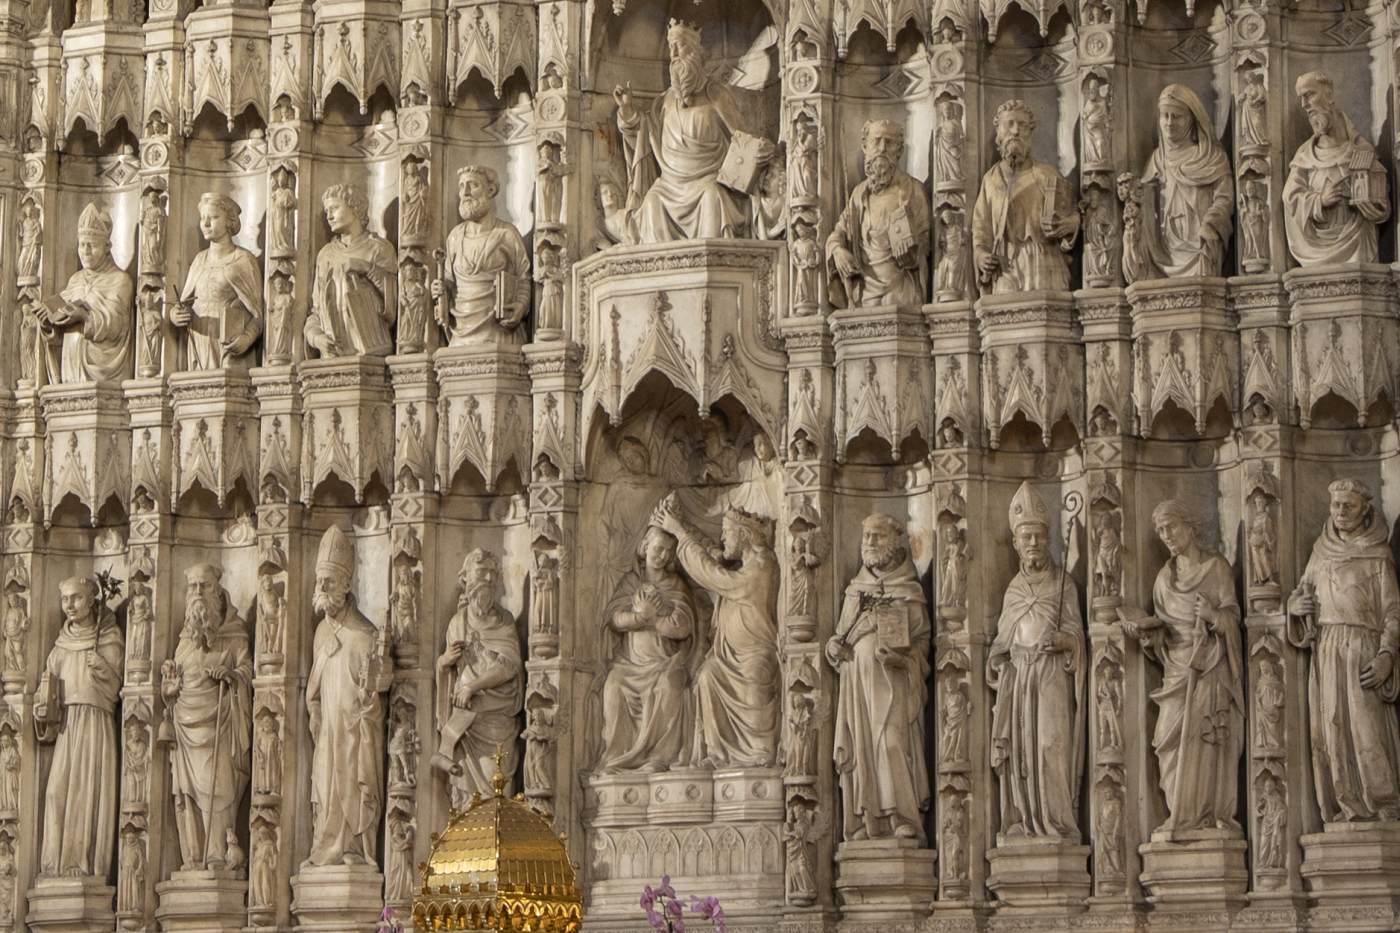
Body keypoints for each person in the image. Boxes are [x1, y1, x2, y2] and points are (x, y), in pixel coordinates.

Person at [1121, 501, 1242, 836]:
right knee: (1166, 743)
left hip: (1209, 668)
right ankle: (1180, 814)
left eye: (1171, 527)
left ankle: (1204, 818)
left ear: (1190, 526)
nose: (1166, 536)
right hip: (1176, 671)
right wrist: (1149, 636)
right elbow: (1165, 639)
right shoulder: (1163, 580)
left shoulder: (1216, 568)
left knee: (1207, 741)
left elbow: (1233, 618)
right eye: (1160, 530)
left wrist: (1215, 617)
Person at [1288, 479, 1400, 822]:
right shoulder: (1320, 551)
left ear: (1365, 509)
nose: (1339, 513)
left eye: (1347, 506)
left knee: (1368, 729)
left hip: (1363, 649)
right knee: (1332, 730)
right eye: (1335, 506)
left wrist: (1386, 656)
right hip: (1327, 648)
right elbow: (1301, 594)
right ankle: (1344, 805)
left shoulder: (1378, 554)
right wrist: (1295, 607)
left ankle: (1384, 805)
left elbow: (1393, 611)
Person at [612, 19, 775, 242]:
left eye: (679, 45)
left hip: (708, 179)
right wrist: (627, 111)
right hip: (669, 185)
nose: (673, 53)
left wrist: (760, 149)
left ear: (695, 52)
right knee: (651, 203)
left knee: (712, 198)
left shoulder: (716, 94)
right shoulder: (665, 101)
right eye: (670, 47)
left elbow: (742, 137)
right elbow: (646, 134)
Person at [652, 496, 779, 767]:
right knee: (708, 675)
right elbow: (711, 560)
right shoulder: (745, 565)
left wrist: (679, 531)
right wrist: (682, 525)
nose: (723, 540)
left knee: (755, 679)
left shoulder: (762, 565)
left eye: (727, 533)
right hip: (727, 657)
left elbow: (714, 576)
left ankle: (760, 752)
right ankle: (718, 755)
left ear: (744, 535)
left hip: (753, 655)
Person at [988, 482, 1084, 840]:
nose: (1033, 544)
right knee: (1022, 755)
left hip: (1050, 677)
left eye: (1039, 538)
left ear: (1049, 540)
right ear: (1015, 543)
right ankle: (1025, 820)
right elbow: (1001, 641)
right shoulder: (1013, 590)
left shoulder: (1065, 585)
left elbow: (1077, 636)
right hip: (1020, 680)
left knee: (1050, 747)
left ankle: (1057, 822)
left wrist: (1064, 641)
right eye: (1026, 537)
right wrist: (1001, 663)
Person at [826, 515, 930, 842]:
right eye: (866, 536)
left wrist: (903, 659)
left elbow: (925, 644)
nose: (870, 542)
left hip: (894, 682)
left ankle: (903, 817)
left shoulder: (909, 589)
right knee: (862, 750)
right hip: (856, 683)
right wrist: (833, 648)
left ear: (895, 541)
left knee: (892, 744)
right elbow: (840, 636)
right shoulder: (855, 591)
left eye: (877, 536)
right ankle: (867, 820)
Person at [303, 527, 392, 867]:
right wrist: (314, 714)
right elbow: (313, 689)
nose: (321, 588)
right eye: (319, 580)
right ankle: (325, 851)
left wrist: (370, 703)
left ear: (345, 585)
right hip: (327, 735)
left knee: (352, 790)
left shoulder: (365, 635)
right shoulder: (320, 633)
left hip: (354, 736)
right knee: (325, 794)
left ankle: (352, 848)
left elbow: (377, 691)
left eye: (328, 581)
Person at [162, 563, 254, 869]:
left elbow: (247, 671)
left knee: (218, 791)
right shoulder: (183, 640)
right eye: (193, 586)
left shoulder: (234, 633)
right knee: (186, 793)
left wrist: (230, 675)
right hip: (186, 728)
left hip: (220, 725)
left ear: (218, 590)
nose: (198, 592)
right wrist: (170, 689)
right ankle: (193, 856)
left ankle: (216, 856)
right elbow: (175, 684)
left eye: (204, 586)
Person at [35, 576, 124, 877]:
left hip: (94, 724)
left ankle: (81, 865)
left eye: (75, 598)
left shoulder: (109, 637)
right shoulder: (60, 646)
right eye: (65, 599)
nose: (69, 605)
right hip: (67, 727)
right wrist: (41, 704)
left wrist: (103, 670)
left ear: (91, 600)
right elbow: (46, 691)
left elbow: (116, 690)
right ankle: (54, 865)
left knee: (85, 793)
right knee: (56, 793)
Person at [597, 527, 698, 771]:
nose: (662, 555)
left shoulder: (675, 585)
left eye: (668, 551)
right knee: (613, 684)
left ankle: (658, 757)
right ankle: (618, 756)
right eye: (658, 548)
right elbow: (614, 618)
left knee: (669, 685)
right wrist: (639, 617)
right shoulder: (631, 582)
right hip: (630, 665)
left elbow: (683, 627)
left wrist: (654, 619)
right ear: (645, 547)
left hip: (663, 663)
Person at [433, 549, 523, 808]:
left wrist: (473, 686)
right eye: (481, 572)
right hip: (465, 722)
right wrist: (444, 662)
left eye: (492, 573)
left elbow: (509, 667)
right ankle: (465, 845)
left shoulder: (504, 621)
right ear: (467, 579)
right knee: (464, 792)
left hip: (497, 718)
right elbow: (448, 671)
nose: (487, 578)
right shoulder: (457, 622)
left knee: (497, 786)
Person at [1122, 84, 1232, 282]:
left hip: (1199, 245)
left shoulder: (1211, 157)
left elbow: (1224, 199)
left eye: (1177, 116)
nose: (1169, 123)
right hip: (1163, 252)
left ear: (1191, 119)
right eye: (1165, 116)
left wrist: (1211, 223)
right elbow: (1145, 202)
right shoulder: (1157, 159)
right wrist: (1133, 194)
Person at [1284, 71, 1390, 266]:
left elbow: (1382, 206)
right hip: (1315, 251)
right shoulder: (1303, 156)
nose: (1304, 105)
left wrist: (1369, 203)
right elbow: (1290, 199)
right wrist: (1319, 201)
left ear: (1329, 95)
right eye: (1301, 98)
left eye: (1309, 95)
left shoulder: (1362, 151)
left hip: (1358, 246)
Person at [972, 100, 1078, 295]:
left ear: (1030, 133)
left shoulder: (1048, 175)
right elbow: (980, 229)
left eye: (1022, 125)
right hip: (1005, 268)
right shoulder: (991, 180)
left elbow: (1073, 215)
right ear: (999, 132)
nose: (1015, 131)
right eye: (1009, 124)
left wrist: (1070, 225)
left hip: (1044, 265)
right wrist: (981, 256)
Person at [826, 120, 930, 308]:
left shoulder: (913, 190)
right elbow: (838, 232)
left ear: (899, 151)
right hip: (864, 295)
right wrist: (837, 250)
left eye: (889, 142)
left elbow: (927, 241)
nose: (882, 148)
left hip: (902, 293)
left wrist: (912, 249)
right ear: (865, 146)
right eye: (877, 141)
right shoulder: (858, 195)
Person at [431, 166, 530, 347]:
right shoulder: (454, 237)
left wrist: (521, 306)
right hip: (460, 334)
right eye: (461, 187)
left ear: (490, 190)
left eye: (473, 185)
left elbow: (524, 278)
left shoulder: (506, 234)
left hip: (497, 332)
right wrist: (441, 288)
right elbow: (449, 280)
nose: (465, 192)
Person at [37, 203, 134, 383]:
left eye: (92, 245)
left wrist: (84, 317)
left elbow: (117, 325)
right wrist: (48, 320)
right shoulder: (75, 280)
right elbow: (60, 319)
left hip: (103, 370)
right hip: (70, 368)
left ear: (107, 247)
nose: (86, 252)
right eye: (82, 245)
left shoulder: (120, 280)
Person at [305, 185, 398, 358]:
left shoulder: (379, 249)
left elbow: (395, 304)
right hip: (333, 357)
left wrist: (367, 268)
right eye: (326, 211)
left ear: (355, 207)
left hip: (372, 352)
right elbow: (316, 311)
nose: (329, 216)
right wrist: (317, 338)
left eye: (334, 208)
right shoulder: (325, 255)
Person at [173, 192, 263, 370]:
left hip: (229, 347)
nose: (205, 224)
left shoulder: (243, 260)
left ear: (229, 221)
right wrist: (175, 315)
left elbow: (258, 315)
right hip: (200, 343)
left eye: (213, 217)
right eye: (202, 218)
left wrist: (247, 338)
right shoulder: (200, 260)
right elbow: (183, 302)